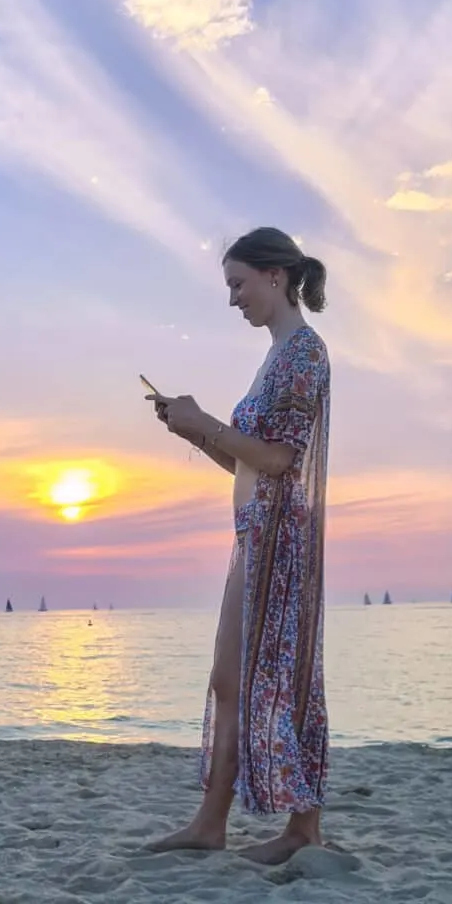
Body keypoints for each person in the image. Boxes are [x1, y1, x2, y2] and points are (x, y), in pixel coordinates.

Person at [145, 226, 331, 865]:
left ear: (274, 277)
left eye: (237, 285)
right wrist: (194, 435)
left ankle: (303, 828)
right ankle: (210, 823)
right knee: (231, 681)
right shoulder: (275, 356)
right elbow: (250, 466)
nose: (232, 301)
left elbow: (282, 459)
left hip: (282, 540)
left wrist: (208, 423)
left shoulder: (304, 353)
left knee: (285, 680)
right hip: (253, 534)